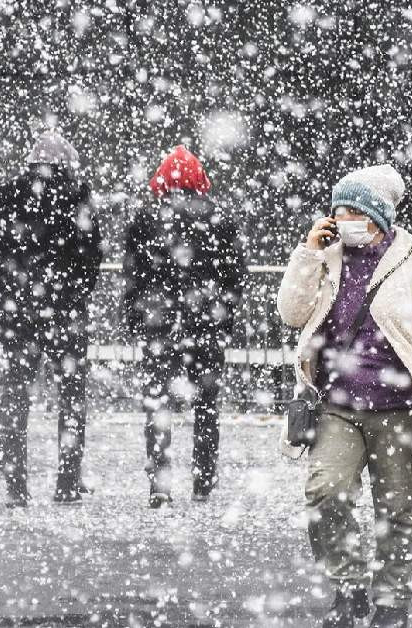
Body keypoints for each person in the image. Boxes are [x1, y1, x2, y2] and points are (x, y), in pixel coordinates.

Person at [276, 164, 412, 628]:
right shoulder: (327, 258)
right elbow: (291, 314)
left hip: (401, 410)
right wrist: (306, 253)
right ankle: (348, 589)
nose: (345, 219)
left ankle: (392, 603)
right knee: (325, 493)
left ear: (379, 213)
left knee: (398, 511)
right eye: (339, 211)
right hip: (336, 405)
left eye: (354, 210)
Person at [0, 130, 103, 506]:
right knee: (72, 396)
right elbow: (91, 255)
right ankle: (66, 480)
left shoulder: (1, 197)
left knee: (17, 392)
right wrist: (73, 292)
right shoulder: (78, 198)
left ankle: (16, 485)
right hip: (65, 312)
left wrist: (6, 288)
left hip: (17, 312)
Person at [121, 145, 245, 508]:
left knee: (158, 404)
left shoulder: (145, 218)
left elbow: (133, 276)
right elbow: (235, 276)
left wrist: (137, 317)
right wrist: (223, 315)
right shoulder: (219, 218)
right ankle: (203, 480)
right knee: (206, 405)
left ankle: (160, 482)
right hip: (206, 325)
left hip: (159, 328)